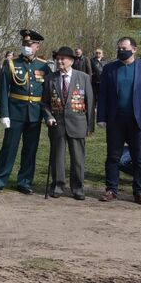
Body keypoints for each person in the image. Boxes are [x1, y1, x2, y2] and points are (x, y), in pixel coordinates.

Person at [98, 36, 141, 204]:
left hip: (138, 121)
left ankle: (139, 191)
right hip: (115, 120)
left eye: (124, 48)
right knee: (113, 157)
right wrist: (101, 117)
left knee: (139, 157)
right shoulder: (109, 69)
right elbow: (103, 95)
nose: (121, 51)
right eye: (119, 48)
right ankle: (111, 189)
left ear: (134, 50)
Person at [0, 28, 49, 194]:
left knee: (30, 149)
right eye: (24, 43)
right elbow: (3, 91)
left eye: (30, 44)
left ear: (37, 47)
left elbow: (48, 92)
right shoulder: (11, 64)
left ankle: (24, 182)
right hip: (15, 113)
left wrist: (47, 114)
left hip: (35, 114)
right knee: (9, 148)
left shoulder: (44, 66)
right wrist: (4, 114)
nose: (26, 46)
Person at [44, 46, 94, 200]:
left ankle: (78, 188)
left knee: (78, 158)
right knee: (57, 157)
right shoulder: (50, 78)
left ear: (71, 61)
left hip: (77, 122)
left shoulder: (83, 77)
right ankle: (58, 186)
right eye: (57, 58)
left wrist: (89, 126)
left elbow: (90, 102)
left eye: (62, 59)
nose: (59, 61)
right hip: (57, 123)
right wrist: (48, 116)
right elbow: (45, 102)